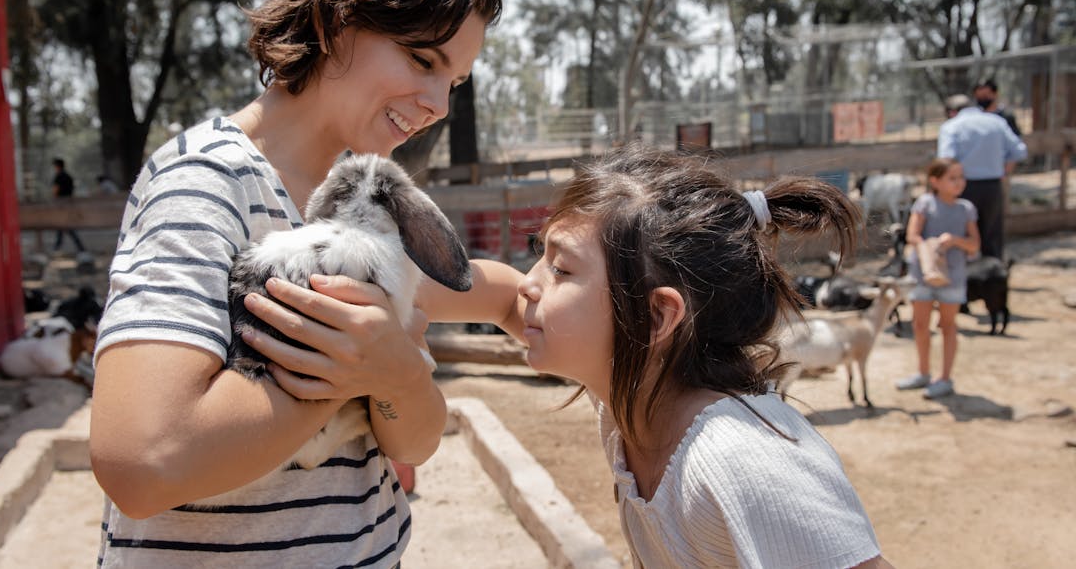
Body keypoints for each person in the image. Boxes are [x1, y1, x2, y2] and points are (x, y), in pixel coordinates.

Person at [88, 0, 502, 566]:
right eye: (422, 60)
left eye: (455, 81)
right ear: (335, 18)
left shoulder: (365, 198)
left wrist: (397, 373)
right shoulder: (206, 181)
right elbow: (144, 463)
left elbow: (413, 442)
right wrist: (349, 370)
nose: (440, 105)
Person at [422, 142, 893, 567]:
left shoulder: (741, 460)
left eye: (561, 268)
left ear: (656, 317)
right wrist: (379, 285)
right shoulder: (632, 392)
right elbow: (505, 296)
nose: (530, 281)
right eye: (542, 256)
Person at [895, 158, 980, 399]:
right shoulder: (924, 203)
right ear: (935, 181)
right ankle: (923, 372)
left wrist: (954, 240)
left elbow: (974, 244)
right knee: (920, 325)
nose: (959, 183)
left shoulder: (966, 209)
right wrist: (930, 249)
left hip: (953, 276)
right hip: (922, 275)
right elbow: (913, 235)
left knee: (948, 325)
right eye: (952, 178)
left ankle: (944, 378)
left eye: (960, 177)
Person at [937, 91, 1026, 259]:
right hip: (993, 187)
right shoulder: (997, 122)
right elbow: (1019, 151)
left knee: (961, 236)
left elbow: (946, 160)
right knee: (992, 236)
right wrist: (1004, 171)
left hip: (962, 188)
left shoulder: (951, 126)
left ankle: (967, 280)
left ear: (951, 112)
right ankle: (994, 277)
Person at [50, 158, 86, 253]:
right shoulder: (69, 176)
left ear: (57, 166)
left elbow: (55, 190)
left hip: (61, 204)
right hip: (69, 203)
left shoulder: (59, 176)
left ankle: (79, 248)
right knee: (63, 226)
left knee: (65, 225)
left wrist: (53, 200)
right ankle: (58, 247)